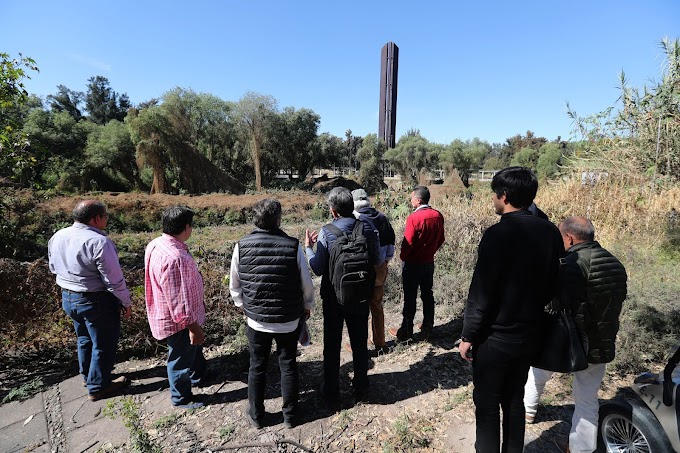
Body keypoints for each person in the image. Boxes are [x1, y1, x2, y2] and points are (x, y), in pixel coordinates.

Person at [459, 167, 564, 453]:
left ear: (504, 196)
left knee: (488, 404)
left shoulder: (497, 234)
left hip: (495, 338)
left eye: (495, 194)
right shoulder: (551, 231)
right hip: (531, 333)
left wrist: (468, 336)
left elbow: (482, 292)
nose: (493, 199)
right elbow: (557, 282)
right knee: (515, 399)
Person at [524, 216, 627, 453]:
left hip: (569, 339)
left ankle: (528, 410)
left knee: (538, 371)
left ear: (569, 238)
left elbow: (554, 301)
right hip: (602, 340)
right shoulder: (614, 262)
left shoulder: (570, 263)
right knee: (588, 399)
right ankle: (580, 449)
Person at [229, 199, 314, 429]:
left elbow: (234, 286)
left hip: (256, 321)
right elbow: (307, 285)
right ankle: (290, 416)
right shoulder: (292, 245)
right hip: (288, 320)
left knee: (257, 366)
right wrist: (307, 306)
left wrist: (243, 307)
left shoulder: (241, 246)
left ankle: (257, 416)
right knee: (288, 365)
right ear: (278, 220)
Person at [305, 187, 382, 408]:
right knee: (359, 342)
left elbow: (318, 269)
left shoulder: (327, 232)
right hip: (360, 296)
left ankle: (331, 391)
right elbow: (377, 259)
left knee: (332, 345)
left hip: (333, 299)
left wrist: (308, 249)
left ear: (333, 211)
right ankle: (361, 388)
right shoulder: (366, 226)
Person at [48, 200, 132, 401]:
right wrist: (125, 302)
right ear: (96, 219)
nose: (107, 220)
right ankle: (98, 387)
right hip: (95, 300)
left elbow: (53, 266)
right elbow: (113, 279)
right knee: (103, 343)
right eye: (105, 216)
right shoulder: (99, 242)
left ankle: (89, 376)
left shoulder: (59, 235)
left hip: (69, 296)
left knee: (84, 338)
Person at [145, 206, 206, 409]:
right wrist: (193, 327)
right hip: (180, 321)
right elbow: (179, 301)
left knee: (192, 350)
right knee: (179, 358)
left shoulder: (157, 244)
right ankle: (181, 398)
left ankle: (198, 375)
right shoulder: (175, 258)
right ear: (186, 227)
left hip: (174, 314)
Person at [389, 186, 445, 341]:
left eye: (412, 197)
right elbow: (441, 239)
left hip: (413, 264)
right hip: (428, 262)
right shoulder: (437, 215)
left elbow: (408, 242)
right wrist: (431, 251)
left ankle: (406, 331)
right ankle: (427, 327)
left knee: (410, 297)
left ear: (418, 200)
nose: (410, 199)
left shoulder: (414, 218)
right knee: (428, 294)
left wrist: (403, 257)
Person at [344, 188, 395, 353]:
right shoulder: (383, 218)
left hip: (362, 270)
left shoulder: (356, 220)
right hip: (380, 269)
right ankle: (380, 343)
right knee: (377, 306)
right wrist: (384, 263)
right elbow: (391, 248)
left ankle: (358, 345)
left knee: (359, 308)